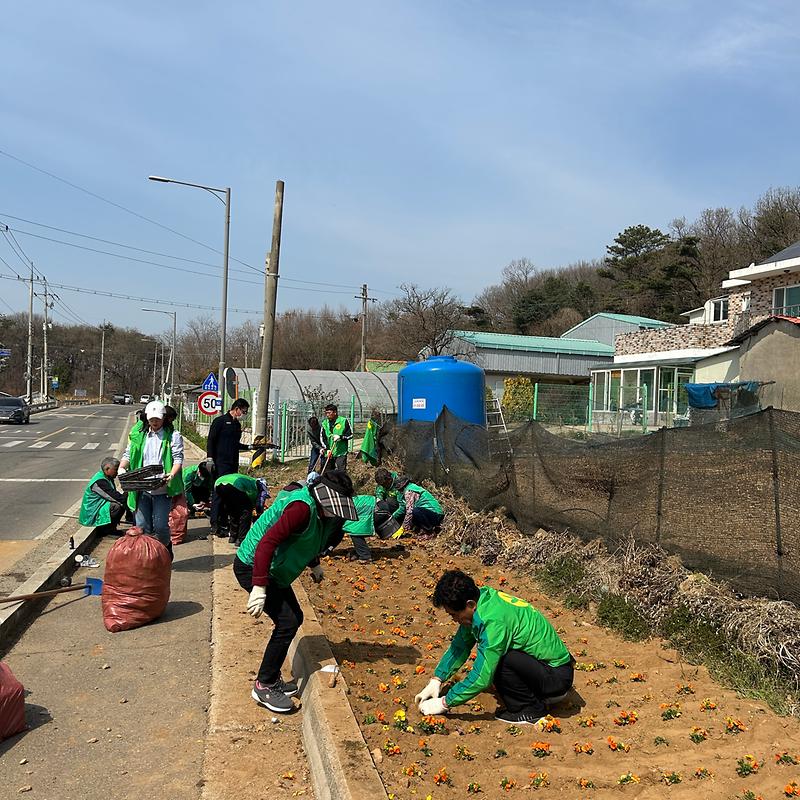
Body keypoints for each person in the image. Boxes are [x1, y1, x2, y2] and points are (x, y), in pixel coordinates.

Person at [232, 470, 358, 714]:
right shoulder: (300, 508)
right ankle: (264, 685)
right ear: (323, 498)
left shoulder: (321, 514)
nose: (337, 513)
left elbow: (308, 539)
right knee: (287, 621)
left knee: (295, 618)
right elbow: (267, 543)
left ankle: (271, 678)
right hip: (253, 565)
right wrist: (259, 586)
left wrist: (315, 565)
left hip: (274, 570)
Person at [414, 569, 574, 725]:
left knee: (499, 661)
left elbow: (482, 676)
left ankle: (529, 709)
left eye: (454, 615)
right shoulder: (482, 601)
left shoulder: (492, 621)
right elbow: (460, 645)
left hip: (556, 680)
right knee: (497, 658)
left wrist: (445, 702)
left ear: (470, 604)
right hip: (545, 670)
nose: (454, 620)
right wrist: (437, 679)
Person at [119, 400, 184, 555]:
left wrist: (171, 474)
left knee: (161, 526)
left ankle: (165, 552)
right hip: (142, 488)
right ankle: (147, 557)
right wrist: (122, 467)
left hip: (162, 488)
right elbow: (129, 454)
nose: (154, 422)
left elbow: (178, 458)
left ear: (164, 418)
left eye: (158, 419)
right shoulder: (139, 435)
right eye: (151, 419)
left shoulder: (173, 436)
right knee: (142, 526)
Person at [207, 398, 251, 537]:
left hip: (232, 464)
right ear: (236, 408)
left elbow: (235, 444)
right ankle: (215, 524)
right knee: (219, 493)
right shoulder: (219, 421)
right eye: (243, 411)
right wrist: (210, 458)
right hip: (220, 463)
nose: (244, 414)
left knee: (230, 494)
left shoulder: (236, 425)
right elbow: (211, 440)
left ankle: (225, 522)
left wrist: (249, 447)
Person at [213, 473, 270, 546]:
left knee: (233, 511)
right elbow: (259, 502)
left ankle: (233, 537)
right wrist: (259, 512)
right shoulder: (259, 486)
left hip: (218, 484)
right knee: (245, 513)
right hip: (235, 484)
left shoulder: (249, 481)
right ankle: (241, 539)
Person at [79, 456, 127, 535]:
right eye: (115, 470)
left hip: (100, 505)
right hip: (92, 512)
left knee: (121, 502)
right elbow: (113, 496)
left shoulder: (107, 477)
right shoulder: (100, 481)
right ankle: (107, 530)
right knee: (117, 506)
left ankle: (110, 528)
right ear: (107, 469)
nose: (117, 472)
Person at [320, 403, 352, 472]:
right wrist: (327, 449)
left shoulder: (343, 421)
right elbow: (322, 438)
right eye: (326, 413)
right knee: (328, 472)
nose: (327, 414)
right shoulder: (324, 423)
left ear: (335, 412)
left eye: (329, 413)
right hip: (329, 452)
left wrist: (341, 437)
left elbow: (350, 434)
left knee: (341, 472)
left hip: (341, 452)